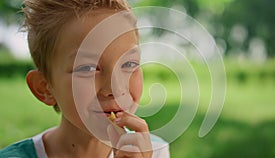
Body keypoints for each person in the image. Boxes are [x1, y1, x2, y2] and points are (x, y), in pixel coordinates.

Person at [0, 0, 170, 157]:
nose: (115, 89)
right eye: (87, 68)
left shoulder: (154, 151)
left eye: (129, 64)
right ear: (44, 87)